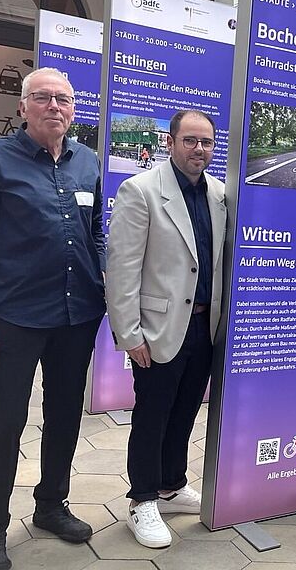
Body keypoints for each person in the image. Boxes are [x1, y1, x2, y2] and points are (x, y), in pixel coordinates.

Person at [0, 67, 105, 570]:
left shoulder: (88, 162)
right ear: (22, 107)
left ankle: (50, 505)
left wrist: (107, 282)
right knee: (4, 422)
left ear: (73, 108)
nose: (55, 107)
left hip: (76, 314)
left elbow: (95, 233)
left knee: (65, 415)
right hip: (13, 318)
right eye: (43, 98)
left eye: (63, 99)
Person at [106, 110, 226, 548]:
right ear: (171, 142)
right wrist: (129, 334)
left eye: (207, 142)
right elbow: (122, 269)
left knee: (185, 411)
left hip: (203, 327)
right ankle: (141, 499)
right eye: (191, 141)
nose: (199, 150)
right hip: (157, 329)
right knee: (152, 415)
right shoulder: (140, 191)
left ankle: (171, 485)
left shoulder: (218, 194)